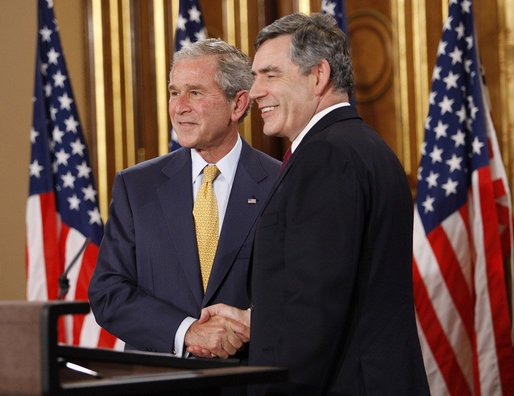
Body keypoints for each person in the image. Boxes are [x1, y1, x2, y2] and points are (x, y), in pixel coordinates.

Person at [197, 13, 430, 395]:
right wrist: (258, 320)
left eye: (270, 75)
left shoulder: (326, 158)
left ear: (318, 75)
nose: (254, 92)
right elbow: (337, 287)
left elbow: (315, 313)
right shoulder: (365, 146)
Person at [88, 38, 280, 360]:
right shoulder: (136, 186)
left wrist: (251, 325)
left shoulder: (280, 183)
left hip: (249, 379)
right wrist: (187, 330)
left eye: (195, 92)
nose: (179, 107)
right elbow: (109, 293)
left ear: (238, 104)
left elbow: (300, 293)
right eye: (174, 93)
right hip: (161, 380)